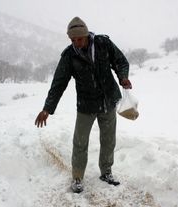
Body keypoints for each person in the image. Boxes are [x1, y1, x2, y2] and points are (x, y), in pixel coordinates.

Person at [35, 17, 132, 193]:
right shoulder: (69, 56)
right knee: (80, 143)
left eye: (79, 38)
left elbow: (120, 61)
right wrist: (47, 108)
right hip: (86, 105)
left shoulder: (103, 43)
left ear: (86, 34)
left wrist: (123, 77)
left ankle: (106, 171)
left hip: (108, 101)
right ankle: (78, 177)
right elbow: (59, 83)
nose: (76, 43)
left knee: (108, 140)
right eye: (72, 40)